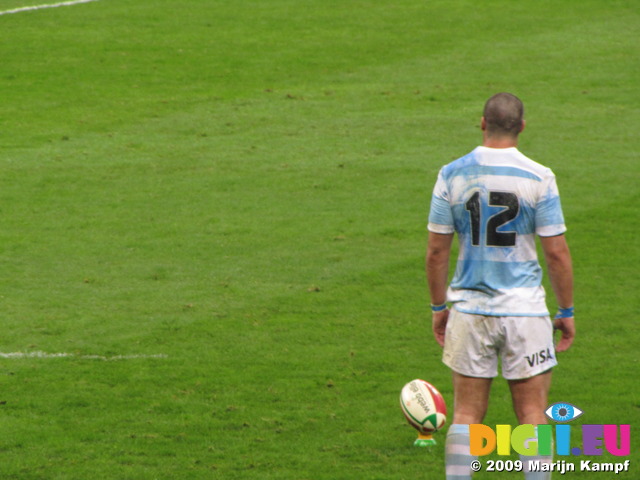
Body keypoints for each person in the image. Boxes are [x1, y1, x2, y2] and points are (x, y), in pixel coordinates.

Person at [426, 93, 575, 480]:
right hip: (525, 312)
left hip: (470, 311)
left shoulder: (452, 173)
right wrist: (567, 311)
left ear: (482, 123)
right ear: (522, 126)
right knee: (531, 414)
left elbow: (436, 252)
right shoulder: (539, 176)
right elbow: (556, 253)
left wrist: (438, 307)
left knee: (466, 413)